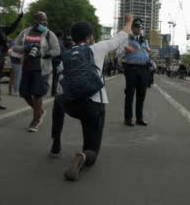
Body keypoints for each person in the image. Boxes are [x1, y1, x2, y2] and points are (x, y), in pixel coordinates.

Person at [50, 14, 133, 181]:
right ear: (89, 37)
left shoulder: (67, 55)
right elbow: (120, 37)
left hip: (71, 103)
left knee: (58, 102)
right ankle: (83, 156)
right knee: (92, 150)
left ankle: (56, 143)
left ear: (73, 37)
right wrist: (129, 21)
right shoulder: (98, 48)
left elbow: (60, 80)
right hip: (94, 104)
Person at [13, 11, 60, 132]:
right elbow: (15, 47)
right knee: (24, 93)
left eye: (46, 20)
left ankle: (36, 121)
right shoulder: (26, 32)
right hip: (27, 67)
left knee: (37, 94)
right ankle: (40, 111)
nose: (45, 22)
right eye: (42, 20)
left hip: (41, 69)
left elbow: (56, 50)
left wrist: (43, 53)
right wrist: (25, 48)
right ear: (36, 21)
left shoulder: (49, 34)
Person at [118, 18, 151, 126]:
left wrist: (148, 52)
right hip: (131, 68)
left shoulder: (144, 39)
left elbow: (146, 50)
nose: (139, 29)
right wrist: (125, 47)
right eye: (137, 27)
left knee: (142, 94)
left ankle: (139, 118)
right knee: (130, 93)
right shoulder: (127, 38)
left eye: (140, 27)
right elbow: (119, 51)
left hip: (143, 68)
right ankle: (128, 118)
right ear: (132, 28)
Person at [51, 30, 65, 96]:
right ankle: (55, 92)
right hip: (58, 61)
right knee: (59, 77)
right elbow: (62, 52)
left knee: (55, 77)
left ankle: (53, 91)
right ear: (61, 36)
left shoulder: (53, 41)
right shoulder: (61, 42)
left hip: (53, 60)